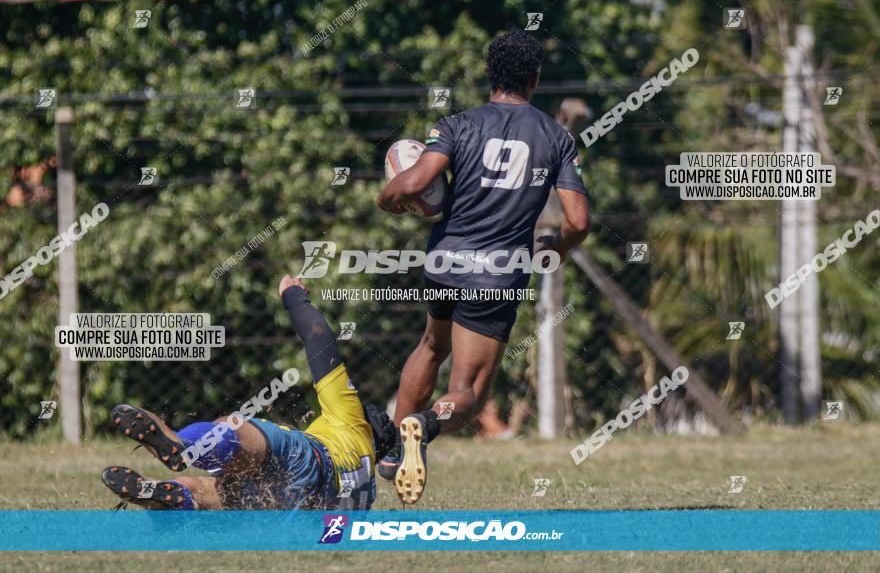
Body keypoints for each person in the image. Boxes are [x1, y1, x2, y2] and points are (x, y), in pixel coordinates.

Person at [375, 29, 590, 504]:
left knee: (431, 344)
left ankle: (391, 448)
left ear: (490, 75)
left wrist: (388, 198)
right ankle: (422, 425)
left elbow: (415, 182)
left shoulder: (455, 125)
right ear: (535, 79)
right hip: (495, 275)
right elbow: (578, 220)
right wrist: (553, 249)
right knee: (467, 394)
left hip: (443, 261)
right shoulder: (556, 138)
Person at [101, 275, 395, 511]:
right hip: (294, 504)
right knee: (217, 492)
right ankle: (168, 493)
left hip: (311, 459)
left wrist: (293, 296)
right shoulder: (365, 495)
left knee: (237, 430)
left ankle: (183, 444)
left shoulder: (353, 421)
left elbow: (319, 336)